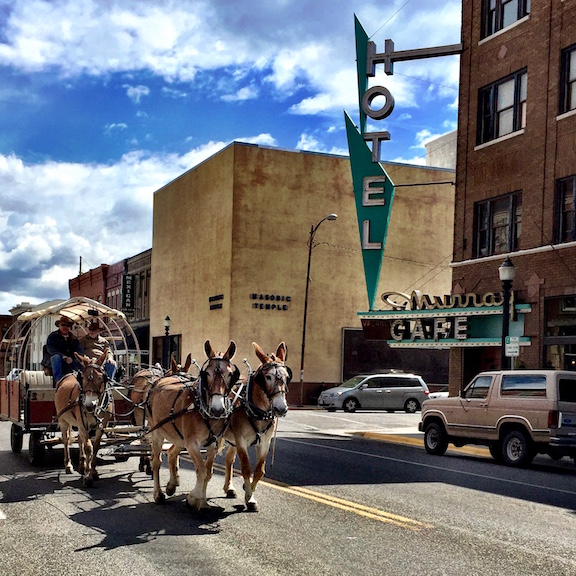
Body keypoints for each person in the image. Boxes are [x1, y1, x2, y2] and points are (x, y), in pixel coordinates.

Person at [46, 316, 83, 383]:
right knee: (56, 357)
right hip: (56, 360)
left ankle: (81, 380)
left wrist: (73, 359)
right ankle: (58, 380)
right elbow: (50, 349)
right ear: (59, 326)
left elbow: (79, 350)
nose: (65, 327)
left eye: (68, 325)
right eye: (63, 325)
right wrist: (63, 356)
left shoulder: (73, 338)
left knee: (82, 359)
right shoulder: (53, 336)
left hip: (70, 362)